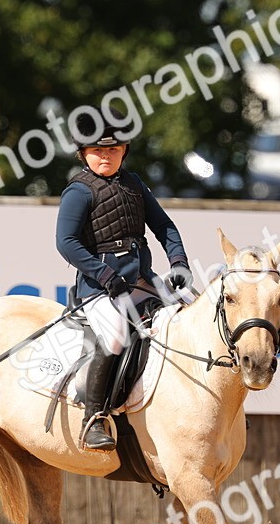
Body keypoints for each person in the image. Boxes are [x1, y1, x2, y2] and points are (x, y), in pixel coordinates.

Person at [55, 123, 193, 451]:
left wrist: (178, 262)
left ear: (124, 151)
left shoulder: (134, 184)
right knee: (116, 333)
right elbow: (66, 242)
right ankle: (93, 419)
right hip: (99, 287)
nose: (106, 155)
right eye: (98, 150)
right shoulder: (78, 190)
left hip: (141, 279)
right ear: (84, 153)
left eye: (113, 149)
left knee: (186, 318)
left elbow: (163, 225)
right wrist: (104, 275)